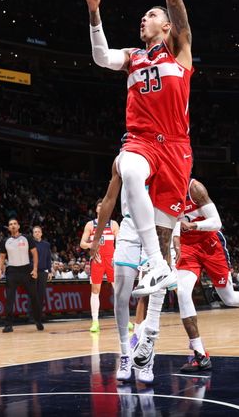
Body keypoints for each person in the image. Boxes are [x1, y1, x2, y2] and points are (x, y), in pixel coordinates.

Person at [83, 0, 193, 306]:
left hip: (176, 149)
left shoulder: (179, 49)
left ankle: (160, 274)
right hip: (142, 141)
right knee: (128, 168)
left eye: (150, 15)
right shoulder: (133, 56)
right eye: (143, 16)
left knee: (166, 231)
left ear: (166, 25)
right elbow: (100, 57)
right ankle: (156, 262)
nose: (142, 19)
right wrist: (95, 16)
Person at [174, 178, 239, 372]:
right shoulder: (162, 190)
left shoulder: (195, 188)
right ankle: (200, 354)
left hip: (210, 244)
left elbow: (216, 223)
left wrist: (194, 226)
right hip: (186, 247)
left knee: (229, 298)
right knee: (182, 292)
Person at [90, 160, 153, 384]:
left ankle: (147, 356)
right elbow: (109, 199)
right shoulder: (122, 160)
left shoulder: (161, 158)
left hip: (154, 229)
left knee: (150, 295)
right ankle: (125, 354)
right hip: (128, 228)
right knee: (121, 295)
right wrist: (96, 238)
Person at [80, 200, 119, 333]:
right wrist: (92, 246)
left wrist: (119, 256)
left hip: (111, 259)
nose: (101, 207)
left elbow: (119, 241)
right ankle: (95, 322)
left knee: (118, 291)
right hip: (97, 260)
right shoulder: (90, 225)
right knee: (95, 290)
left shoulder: (113, 224)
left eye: (104, 205)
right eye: (99, 206)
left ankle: (123, 320)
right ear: (96, 209)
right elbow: (82, 243)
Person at [0, 218, 42, 332]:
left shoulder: (27, 238)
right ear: (8, 227)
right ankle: (8, 325)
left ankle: (38, 320)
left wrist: (35, 269)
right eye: (10, 224)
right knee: (9, 299)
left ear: (18, 226)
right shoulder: (5, 241)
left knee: (34, 297)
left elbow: (35, 253)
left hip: (26, 270)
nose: (12, 226)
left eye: (14, 224)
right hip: (12, 271)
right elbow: (2, 257)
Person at [31, 225, 52, 326]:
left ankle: (39, 317)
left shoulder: (46, 244)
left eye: (38, 231)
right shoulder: (30, 244)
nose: (37, 233)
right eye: (35, 232)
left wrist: (50, 271)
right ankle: (32, 316)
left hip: (43, 272)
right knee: (33, 294)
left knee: (41, 295)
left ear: (41, 233)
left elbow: (48, 258)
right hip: (33, 272)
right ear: (33, 234)